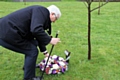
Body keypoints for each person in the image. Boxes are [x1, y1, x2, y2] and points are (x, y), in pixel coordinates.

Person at [0, 5, 61, 80]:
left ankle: (28, 67)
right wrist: (50, 40)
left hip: (7, 31)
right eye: (56, 18)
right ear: (52, 14)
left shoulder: (40, 13)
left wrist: (45, 52)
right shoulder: (42, 11)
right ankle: (29, 78)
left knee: (33, 44)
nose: (54, 21)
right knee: (32, 51)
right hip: (7, 32)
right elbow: (36, 29)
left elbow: (37, 34)